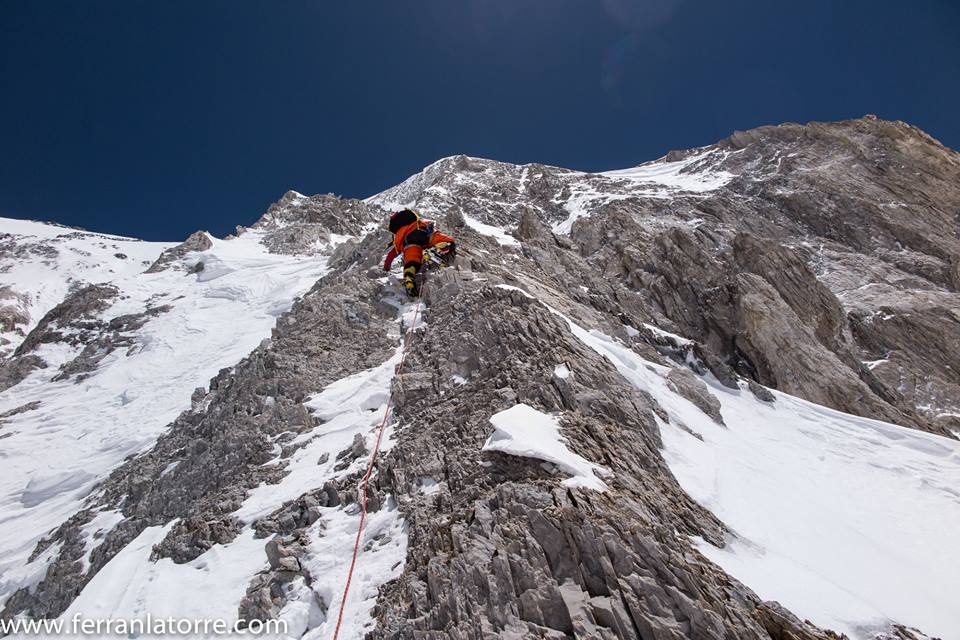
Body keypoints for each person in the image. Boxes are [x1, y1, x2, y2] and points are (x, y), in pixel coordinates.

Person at [382, 208, 456, 297]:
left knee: (412, 260)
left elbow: (391, 255)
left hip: (409, 243)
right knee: (441, 239)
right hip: (421, 232)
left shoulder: (398, 237)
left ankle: (409, 275)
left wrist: (386, 267)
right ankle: (438, 249)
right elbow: (429, 225)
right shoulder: (416, 221)